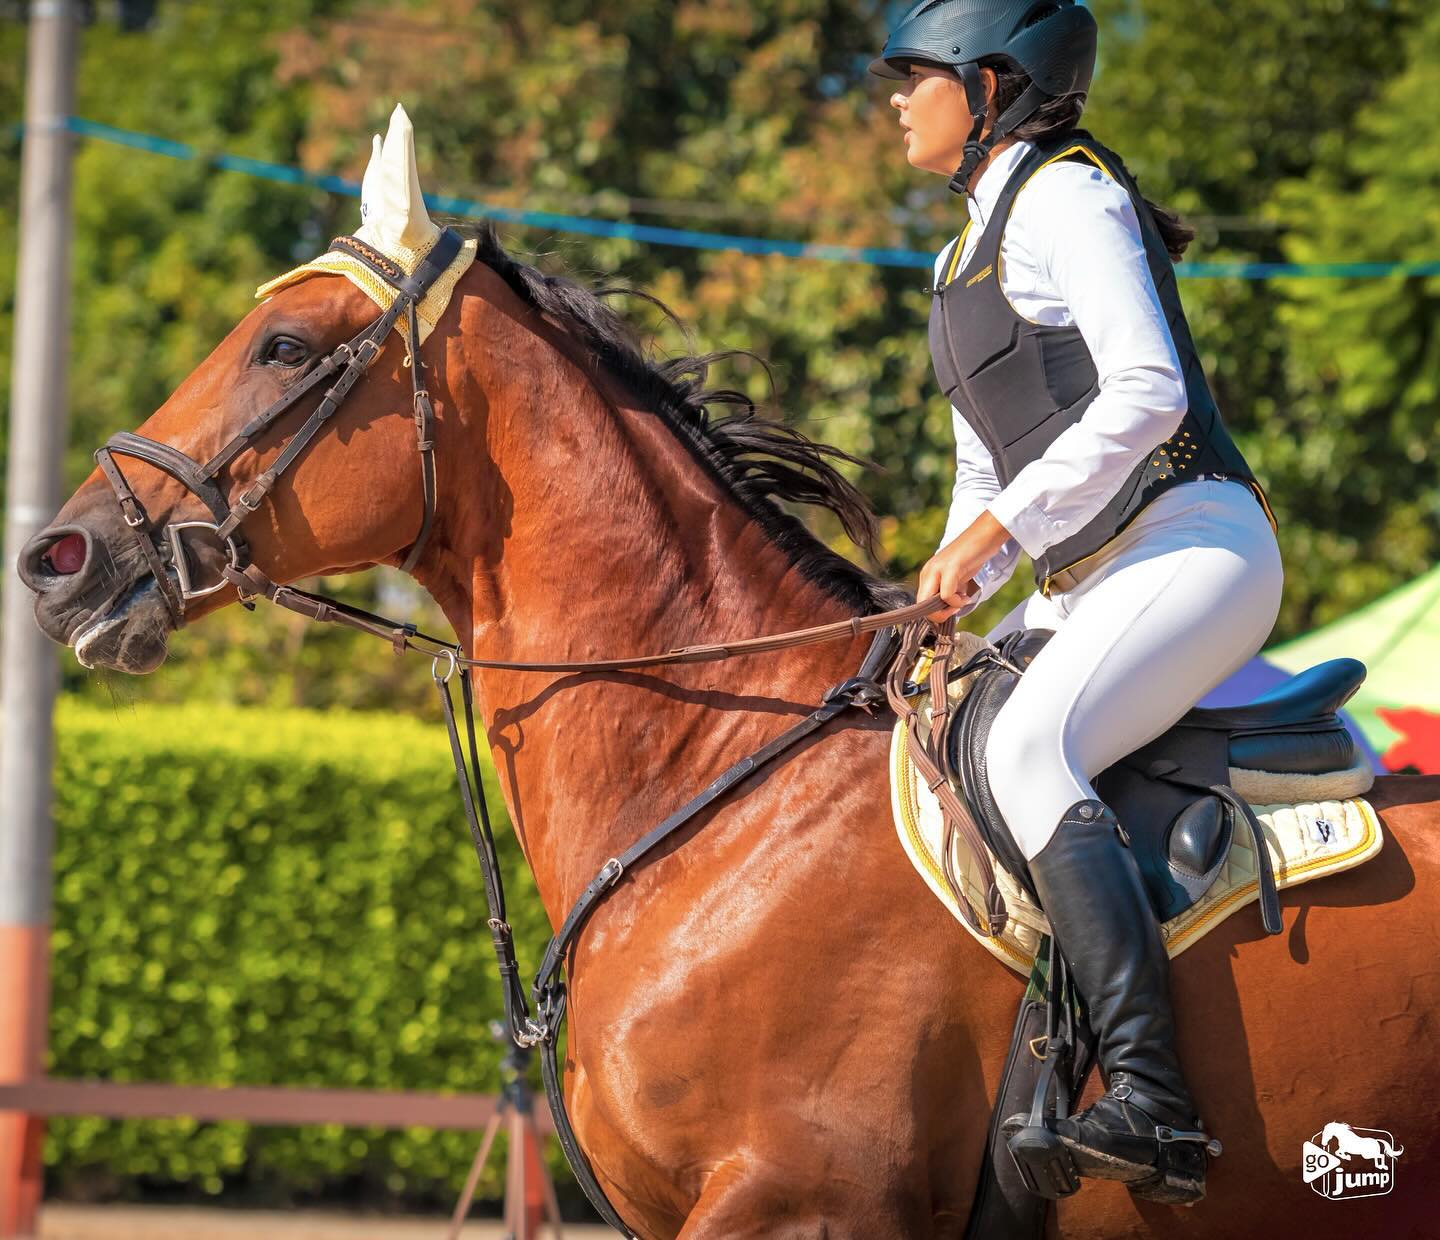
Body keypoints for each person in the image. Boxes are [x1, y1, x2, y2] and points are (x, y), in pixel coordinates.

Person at [872, 0, 1284, 1206]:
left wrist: (1002, 534)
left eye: (917, 76)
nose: (897, 99)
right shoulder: (957, 262)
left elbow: (1149, 388)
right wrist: (945, 601)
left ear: (989, 85)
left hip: (1194, 542)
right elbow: (981, 476)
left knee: (1035, 750)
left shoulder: (1068, 197)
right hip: (1083, 576)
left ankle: (1152, 1098)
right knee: (940, 732)